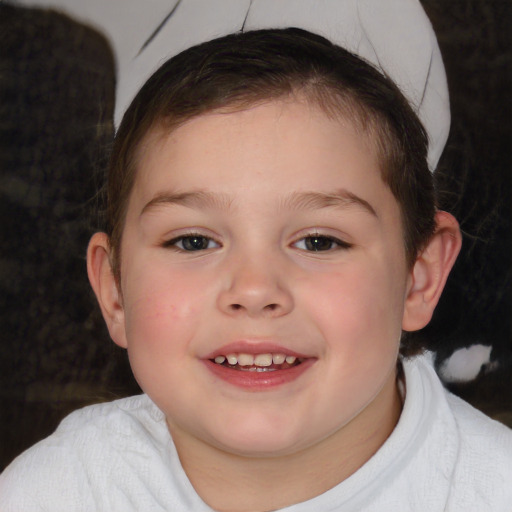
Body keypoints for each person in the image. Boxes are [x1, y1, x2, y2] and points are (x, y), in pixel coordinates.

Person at [1, 23, 511, 512]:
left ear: (418, 277)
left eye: (318, 241)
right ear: (114, 290)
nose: (253, 289)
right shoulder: (53, 493)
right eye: (193, 240)